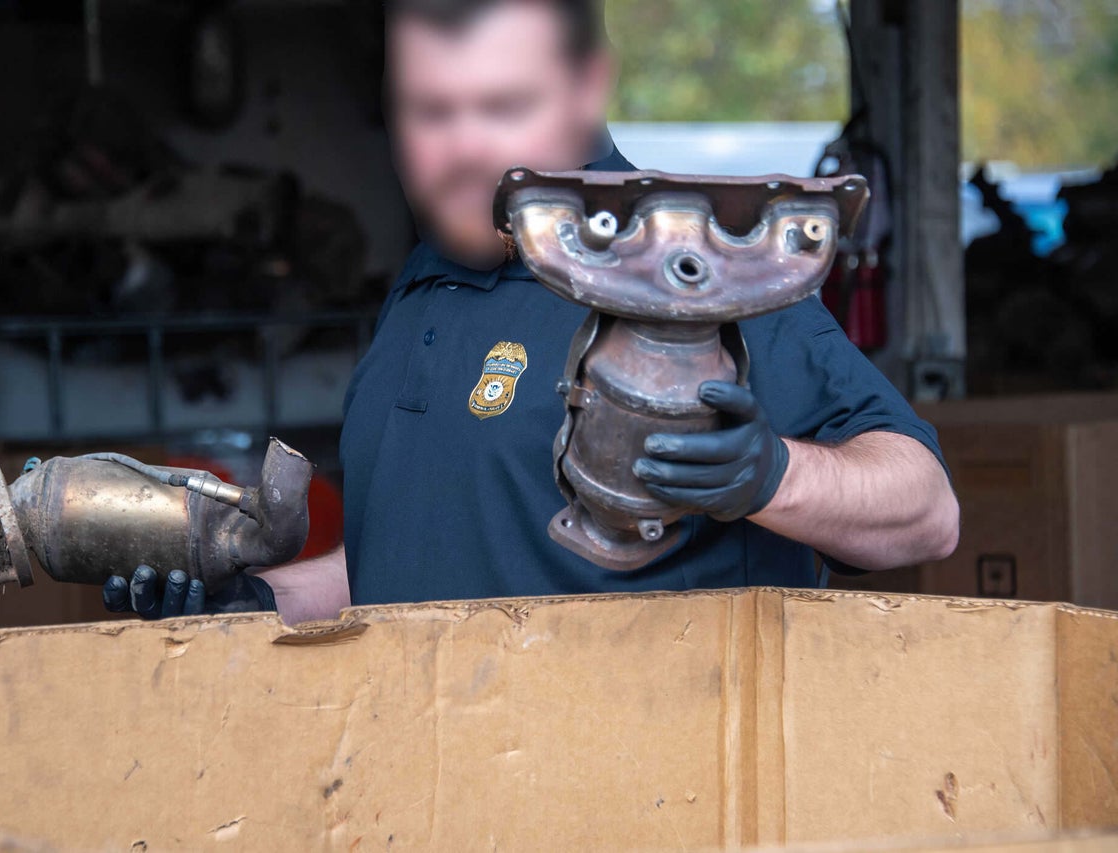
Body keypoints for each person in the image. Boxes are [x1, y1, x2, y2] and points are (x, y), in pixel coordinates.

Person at [105, 0, 959, 622]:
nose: (465, 147)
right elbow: (404, 569)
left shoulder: (685, 267)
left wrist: (771, 475)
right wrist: (250, 602)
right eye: (434, 112)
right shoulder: (426, 281)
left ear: (584, 88)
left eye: (502, 107)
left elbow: (928, 511)